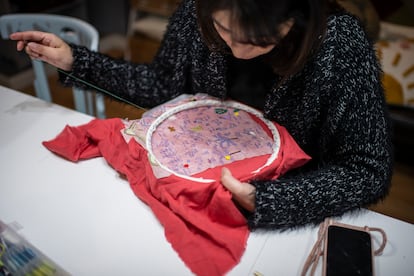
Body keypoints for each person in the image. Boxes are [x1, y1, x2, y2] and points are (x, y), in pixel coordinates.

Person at [10, 0, 393, 230]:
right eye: (223, 29)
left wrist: (271, 201)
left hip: (281, 203)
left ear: (299, 19)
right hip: (197, 185)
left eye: (259, 39)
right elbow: (162, 86)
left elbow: (368, 169)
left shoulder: (340, 43)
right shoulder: (196, 12)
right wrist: (77, 60)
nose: (237, 49)